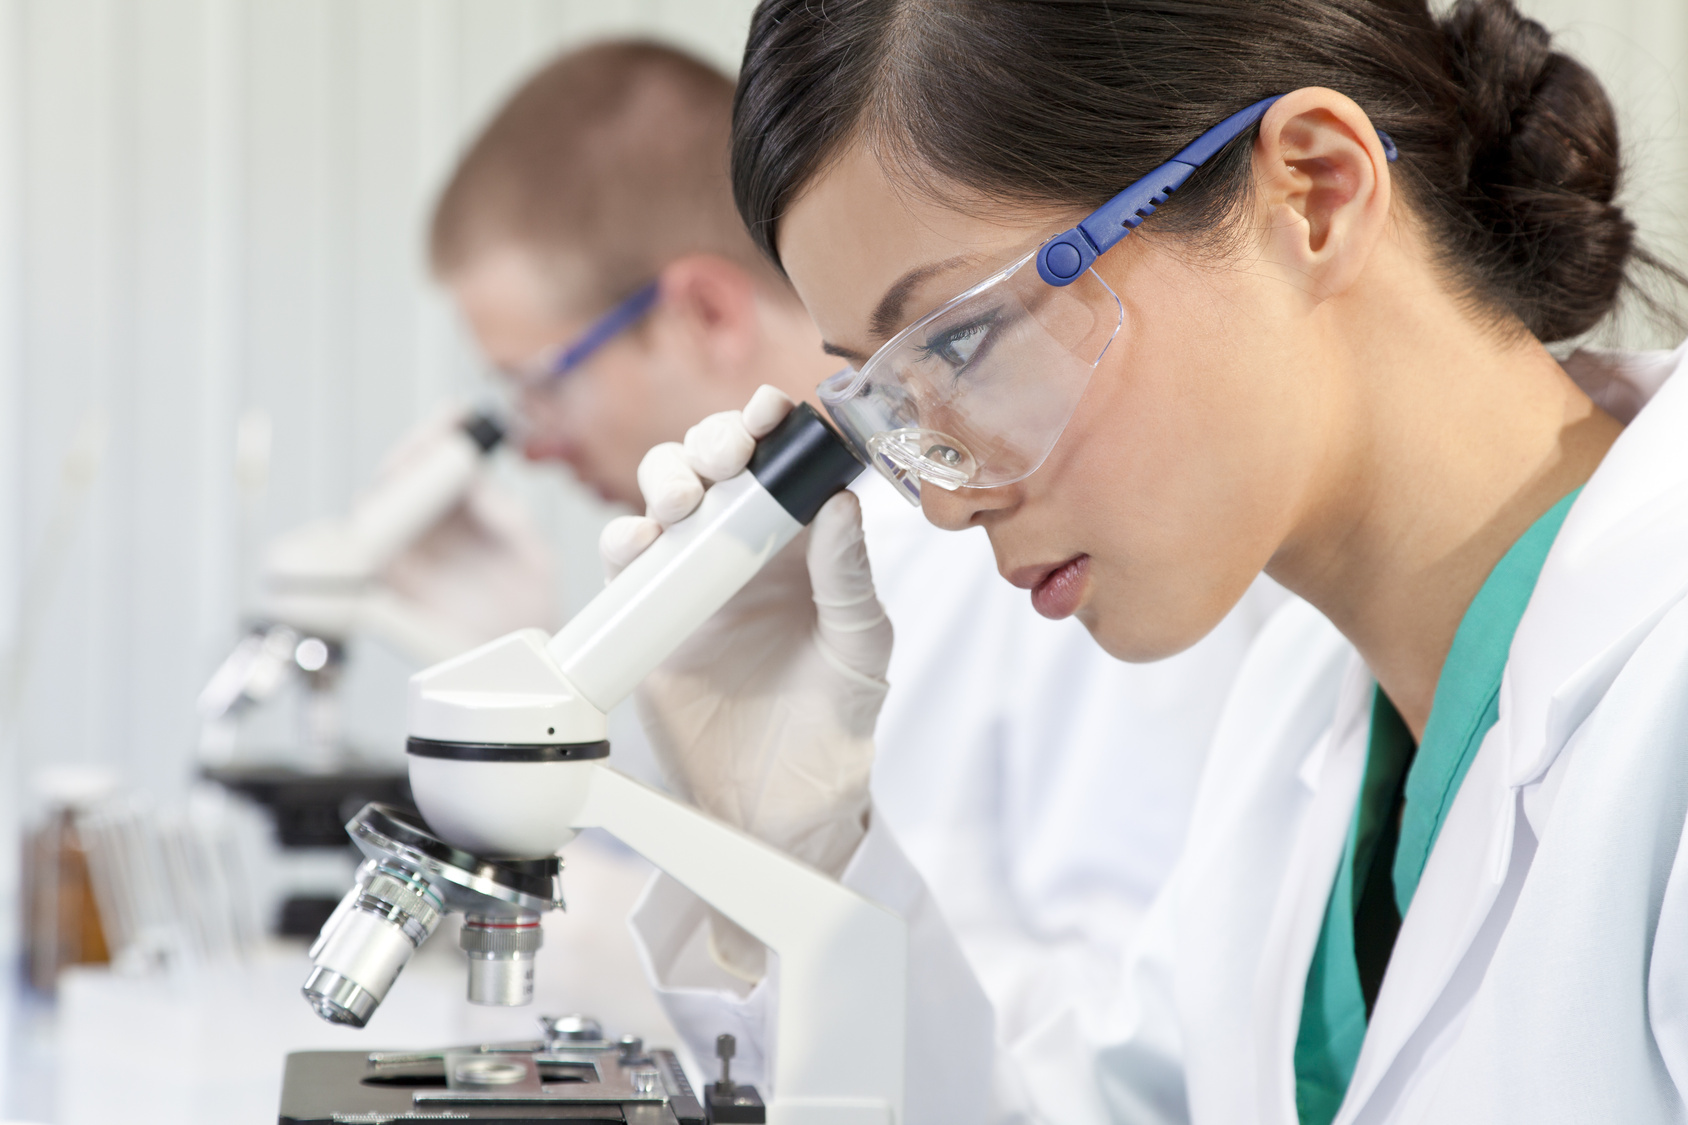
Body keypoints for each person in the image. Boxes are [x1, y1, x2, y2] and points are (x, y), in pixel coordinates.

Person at [602, 0, 1688, 1121]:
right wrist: (784, 856)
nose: (938, 501)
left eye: (961, 343)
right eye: (884, 399)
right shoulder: (1294, 728)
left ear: (1313, 192)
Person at [428, 39, 1282, 1092]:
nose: (536, 443)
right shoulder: (768, 588)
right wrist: (780, 872)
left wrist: (776, 915)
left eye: (539, 385)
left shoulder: (1089, 533)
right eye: (871, 374)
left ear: (701, 311)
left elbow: (1138, 1062)